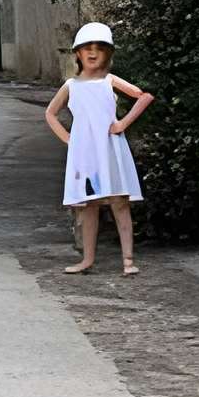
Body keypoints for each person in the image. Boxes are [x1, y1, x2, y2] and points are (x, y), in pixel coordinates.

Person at [44, 21, 153, 276]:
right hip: (86, 154)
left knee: (119, 201)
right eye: (87, 48)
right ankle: (87, 259)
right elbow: (50, 113)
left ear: (108, 53)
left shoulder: (109, 81)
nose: (93, 53)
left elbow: (144, 96)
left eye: (99, 48)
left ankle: (128, 259)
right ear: (78, 54)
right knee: (88, 206)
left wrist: (122, 124)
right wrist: (69, 140)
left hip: (110, 149)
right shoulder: (71, 86)